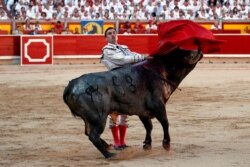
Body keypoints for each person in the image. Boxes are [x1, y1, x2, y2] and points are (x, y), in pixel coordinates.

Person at [101, 27, 148, 150]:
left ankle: (122, 142)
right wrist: (141, 58)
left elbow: (133, 55)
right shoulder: (106, 49)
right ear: (106, 38)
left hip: (128, 80)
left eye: (114, 33)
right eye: (109, 34)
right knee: (115, 113)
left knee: (125, 113)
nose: (112, 35)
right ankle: (117, 143)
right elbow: (121, 60)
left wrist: (142, 56)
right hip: (114, 81)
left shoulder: (124, 47)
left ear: (117, 36)